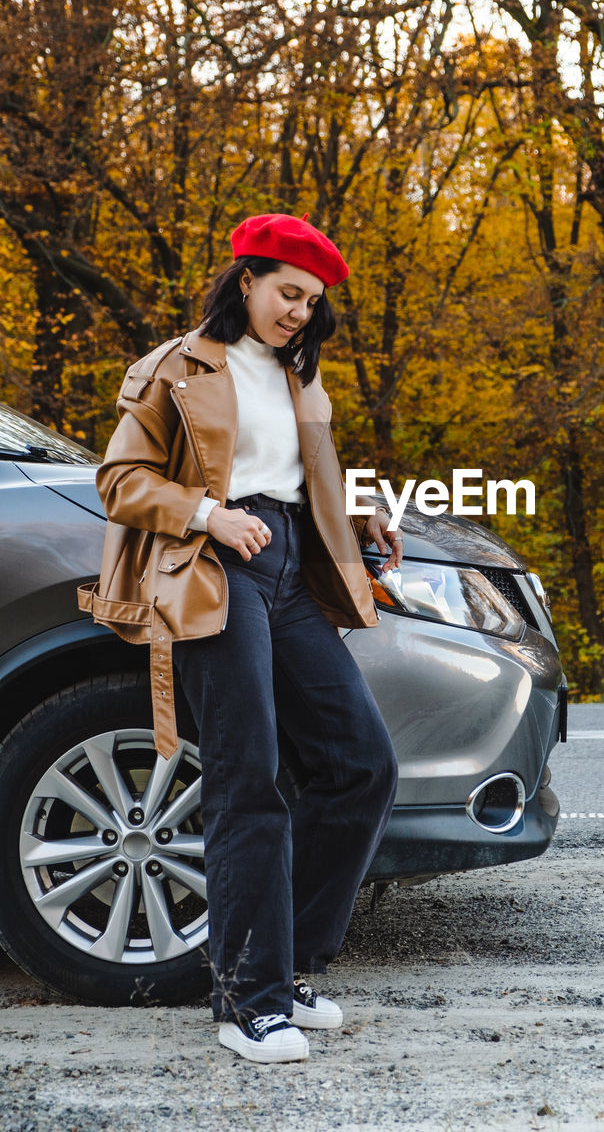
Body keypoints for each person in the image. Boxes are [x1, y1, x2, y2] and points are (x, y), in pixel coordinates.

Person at [78, 213, 400, 1064]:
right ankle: (246, 1003)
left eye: (312, 301)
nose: (299, 311)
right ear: (247, 281)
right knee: (245, 777)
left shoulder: (302, 376)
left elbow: (302, 473)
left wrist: (359, 512)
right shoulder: (174, 368)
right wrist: (206, 514)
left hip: (295, 569)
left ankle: (286, 967)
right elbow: (119, 478)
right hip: (217, 571)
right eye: (288, 293)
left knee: (360, 764)